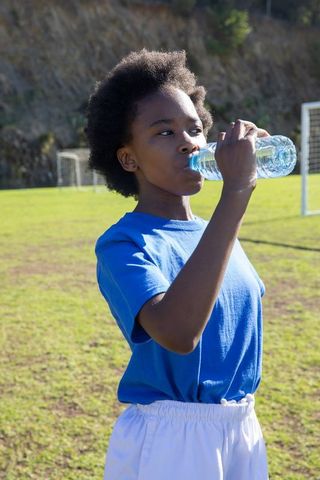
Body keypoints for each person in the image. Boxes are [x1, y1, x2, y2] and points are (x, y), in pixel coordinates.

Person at [86, 49, 269, 480]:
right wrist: (236, 195)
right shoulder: (122, 244)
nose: (189, 141)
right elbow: (179, 332)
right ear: (129, 158)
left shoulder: (216, 233)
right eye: (164, 133)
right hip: (173, 443)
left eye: (194, 128)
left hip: (242, 428)